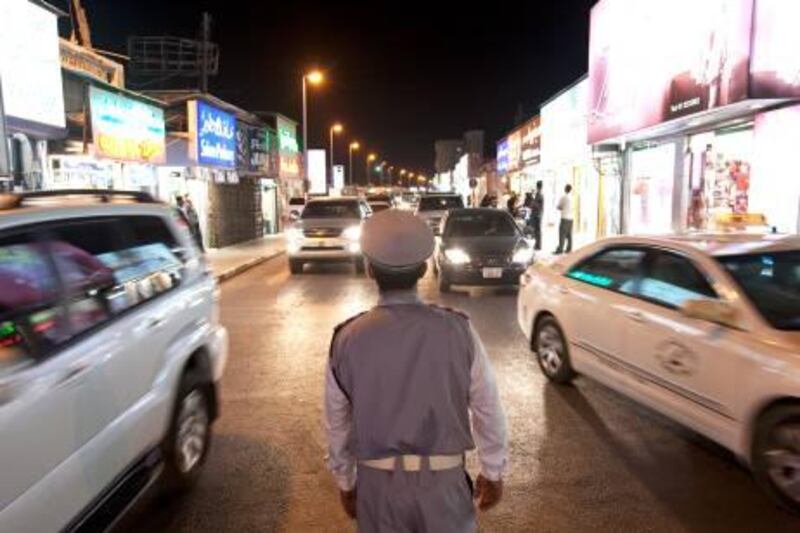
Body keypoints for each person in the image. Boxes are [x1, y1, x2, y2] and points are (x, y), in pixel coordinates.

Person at [325, 210, 508, 532]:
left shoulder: (347, 338)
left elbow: (336, 422)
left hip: (377, 488)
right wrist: (493, 471)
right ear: (424, 269)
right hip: (445, 487)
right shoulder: (459, 331)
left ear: (370, 270)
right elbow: (487, 406)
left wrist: (346, 481)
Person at [554, 184, 573, 254]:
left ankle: (560, 249)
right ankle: (569, 249)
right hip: (571, 219)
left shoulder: (564, 197)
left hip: (565, 218)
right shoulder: (572, 197)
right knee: (569, 234)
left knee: (562, 234)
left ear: (565, 189)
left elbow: (558, 207)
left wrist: (561, 208)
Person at [529, 181, 544, 250]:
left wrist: (532, 203)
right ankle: (538, 245)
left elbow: (536, 205)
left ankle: (538, 245)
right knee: (537, 231)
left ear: (537, 186)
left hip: (537, 215)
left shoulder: (539, 194)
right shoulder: (540, 193)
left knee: (537, 231)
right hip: (539, 214)